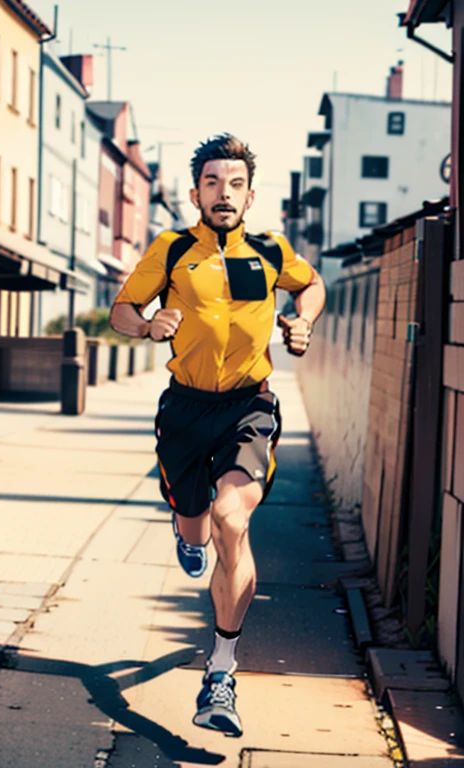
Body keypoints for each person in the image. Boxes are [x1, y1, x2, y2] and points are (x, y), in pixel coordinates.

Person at [110, 134, 326, 737]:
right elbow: (122, 308)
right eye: (212, 183)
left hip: (247, 407)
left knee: (235, 520)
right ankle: (189, 528)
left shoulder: (269, 250)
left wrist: (303, 320)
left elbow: (312, 284)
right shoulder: (173, 248)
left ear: (250, 194)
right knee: (196, 520)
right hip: (184, 411)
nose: (223, 193)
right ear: (195, 192)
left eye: (235, 184)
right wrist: (149, 324)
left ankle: (221, 674)